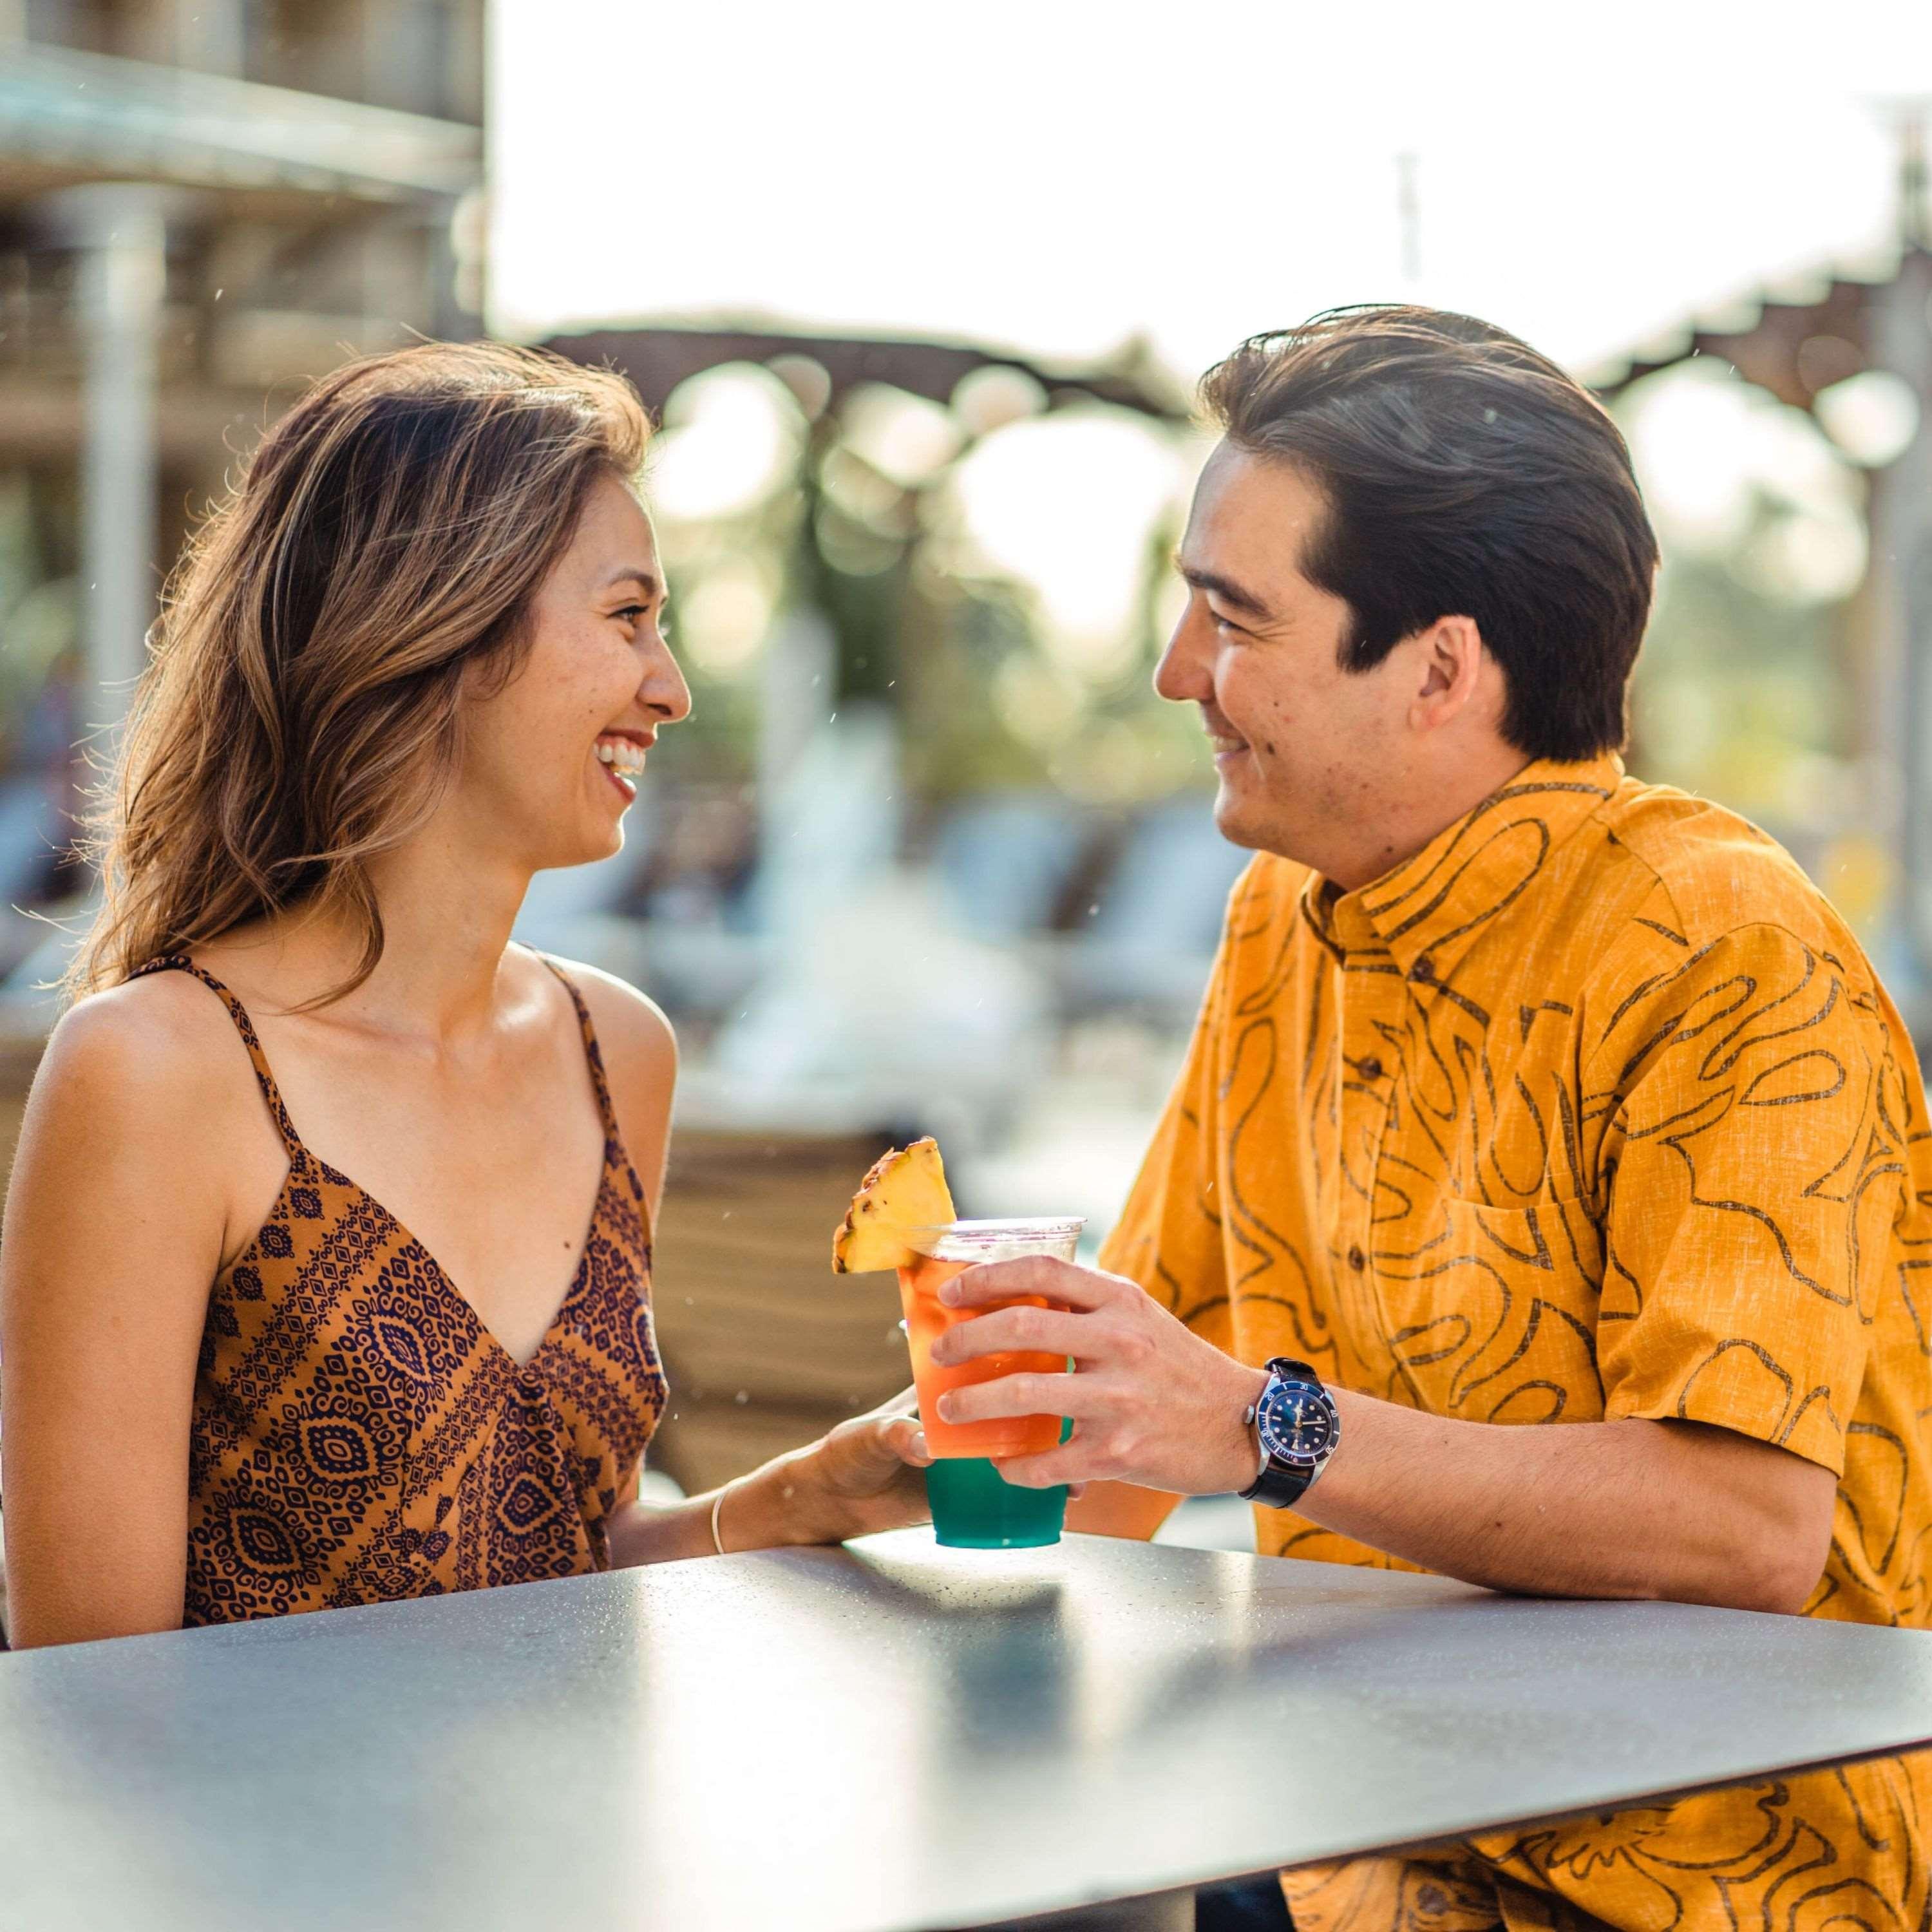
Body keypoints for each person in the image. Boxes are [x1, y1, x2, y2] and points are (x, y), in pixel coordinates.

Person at [936, 307, 1932, 1930]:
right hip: (1350, 1827)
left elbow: (1749, 1527)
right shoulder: (1286, 915)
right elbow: (1139, 1381)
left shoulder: (1726, 949)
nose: (1179, 671)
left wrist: (1268, 1429)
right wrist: (910, 1590)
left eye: (1232, 619)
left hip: (1712, 1882)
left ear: (1441, 673)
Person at [0, 342, 929, 1649]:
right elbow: (93, 1690)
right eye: (626, 618)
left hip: (576, 1842)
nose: (669, 688)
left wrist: (796, 1496)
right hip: (267, 1848)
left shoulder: (618, 1052)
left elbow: (553, 1562)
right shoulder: (159, 1072)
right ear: (436, 626)